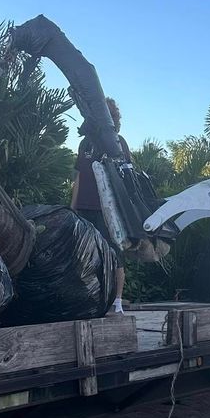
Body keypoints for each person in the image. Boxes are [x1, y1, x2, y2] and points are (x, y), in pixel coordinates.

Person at [71, 97, 129, 314]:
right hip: (85, 208)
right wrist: (73, 208)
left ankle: (118, 302)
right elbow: (78, 177)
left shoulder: (117, 142)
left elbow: (126, 177)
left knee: (114, 253)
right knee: (85, 254)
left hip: (109, 210)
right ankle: (89, 299)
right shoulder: (84, 143)